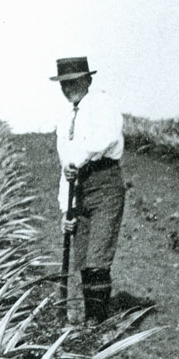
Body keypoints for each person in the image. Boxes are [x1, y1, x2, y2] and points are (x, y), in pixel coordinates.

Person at [52, 56, 125, 323]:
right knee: (82, 260)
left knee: (97, 259)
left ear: (87, 80)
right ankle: (87, 319)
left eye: (73, 81)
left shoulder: (102, 104)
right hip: (78, 189)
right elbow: (66, 168)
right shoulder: (65, 120)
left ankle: (98, 322)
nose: (68, 88)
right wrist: (66, 210)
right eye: (63, 83)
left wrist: (79, 160)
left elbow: (106, 138)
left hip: (104, 184)